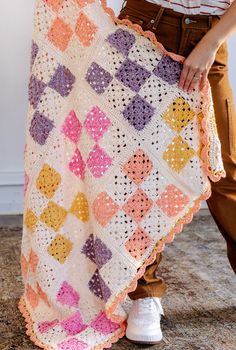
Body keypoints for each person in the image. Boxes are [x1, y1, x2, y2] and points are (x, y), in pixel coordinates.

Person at [117, 0, 236, 344]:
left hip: (210, 33)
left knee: (225, 171)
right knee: (140, 172)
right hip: (144, 26)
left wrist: (211, 43)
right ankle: (144, 294)